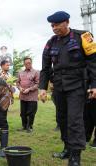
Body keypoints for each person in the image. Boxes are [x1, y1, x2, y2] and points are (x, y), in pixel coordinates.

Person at [39, 11, 96, 166]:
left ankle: (75, 158)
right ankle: (67, 149)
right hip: (59, 87)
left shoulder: (83, 36)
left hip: (77, 86)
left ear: (67, 22)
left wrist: (94, 85)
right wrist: (42, 88)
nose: (54, 28)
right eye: (52, 25)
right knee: (62, 119)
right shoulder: (51, 42)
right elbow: (45, 68)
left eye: (57, 25)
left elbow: (93, 63)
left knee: (75, 121)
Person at [16, 57, 39, 133]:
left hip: (32, 97)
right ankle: (24, 126)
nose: (27, 64)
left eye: (29, 63)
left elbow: (38, 84)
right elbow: (17, 82)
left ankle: (30, 127)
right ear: (24, 64)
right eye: (26, 63)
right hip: (23, 96)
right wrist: (20, 88)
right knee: (23, 113)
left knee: (31, 112)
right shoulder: (20, 72)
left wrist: (29, 89)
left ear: (31, 63)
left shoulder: (36, 72)